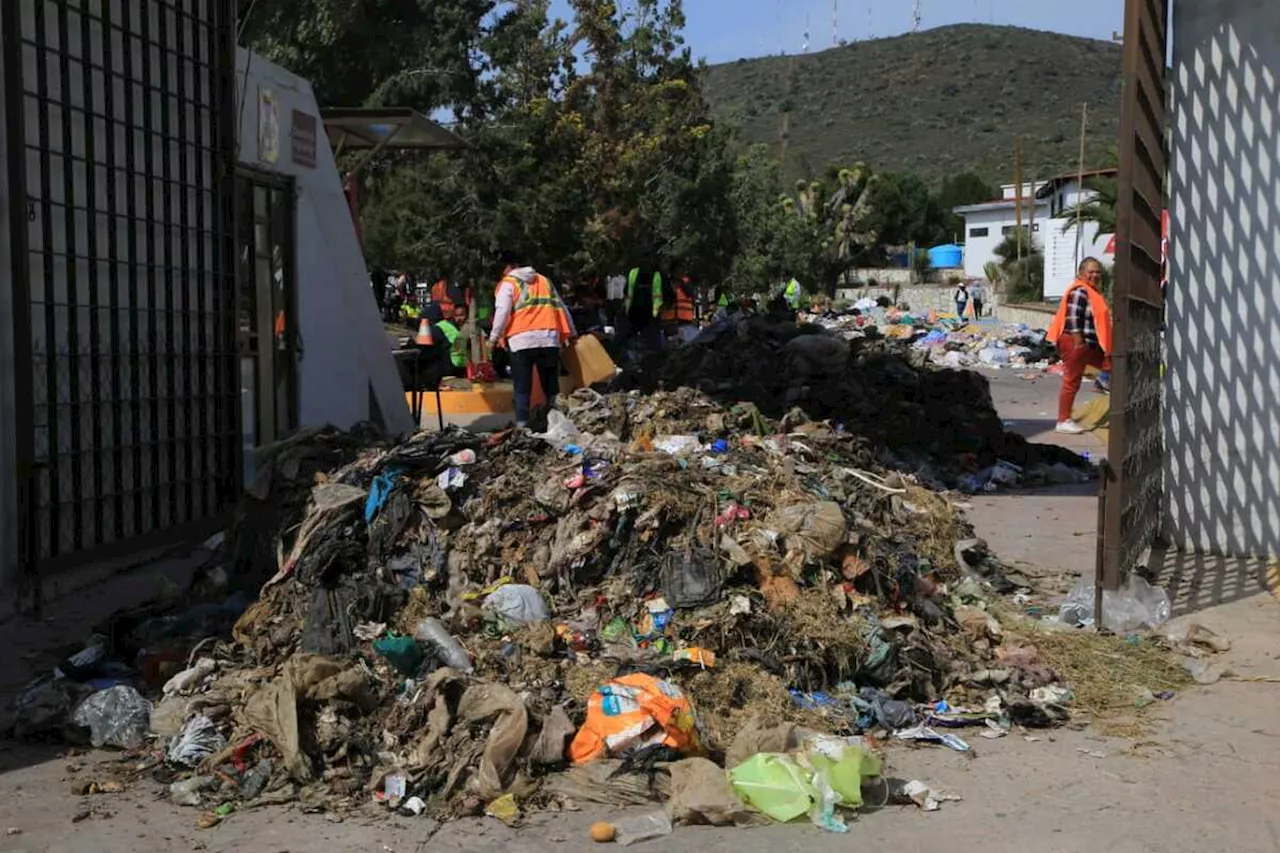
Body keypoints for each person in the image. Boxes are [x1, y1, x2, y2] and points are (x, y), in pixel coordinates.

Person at [488, 250, 575, 428]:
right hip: (549, 338)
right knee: (551, 387)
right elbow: (561, 307)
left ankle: (522, 427)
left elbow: (502, 311)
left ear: (509, 267)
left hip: (521, 340)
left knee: (522, 388)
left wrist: (494, 337)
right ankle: (558, 425)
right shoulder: (544, 280)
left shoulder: (508, 283)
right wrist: (572, 333)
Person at [1046, 257, 1113, 435]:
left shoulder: (1093, 292)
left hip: (1091, 345)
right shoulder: (1080, 292)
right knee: (1072, 381)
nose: (1095, 275)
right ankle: (1063, 420)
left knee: (1112, 368)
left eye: (1098, 271)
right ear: (1081, 273)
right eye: (1091, 271)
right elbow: (1074, 317)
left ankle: (1105, 389)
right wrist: (1078, 341)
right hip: (1076, 342)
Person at [660, 274, 698, 344]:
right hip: (670, 326)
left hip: (683, 326)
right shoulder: (666, 293)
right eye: (674, 283)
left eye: (678, 283)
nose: (676, 285)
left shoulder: (685, 292)